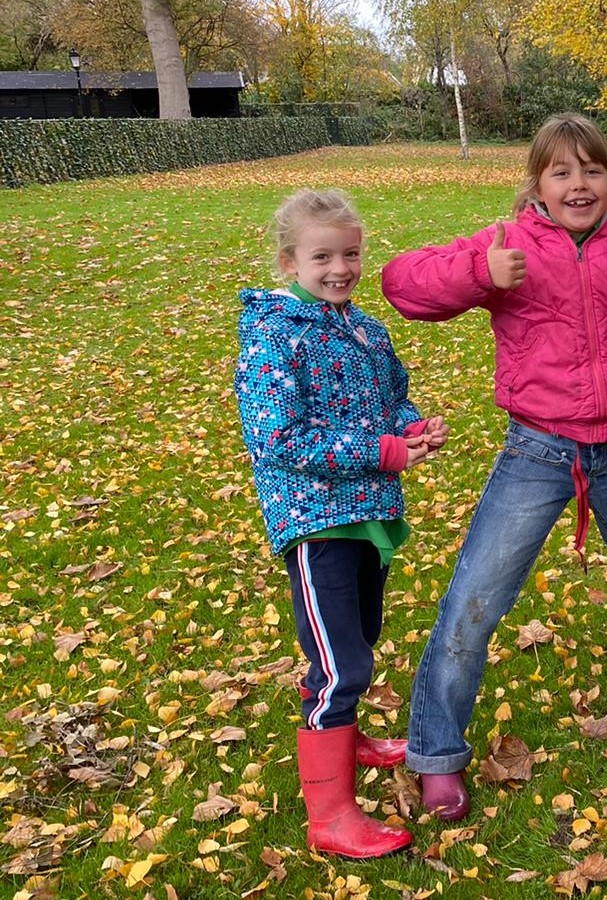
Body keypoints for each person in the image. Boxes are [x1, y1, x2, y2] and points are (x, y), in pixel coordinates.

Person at [381, 113, 607, 821]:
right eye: (562, 171)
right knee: (474, 602)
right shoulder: (508, 244)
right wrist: (477, 272)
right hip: (537, 449)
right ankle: (434, 752)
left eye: (591, 169)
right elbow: (402, 283)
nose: (578, 183)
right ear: (538, 184)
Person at [235, 188, 448, 858]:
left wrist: (410, 426)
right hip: (316, 521)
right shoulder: (275, 335)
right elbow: (278, 438)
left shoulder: (363, 329)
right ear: (288, 259)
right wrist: (381, 452)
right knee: (338, 664)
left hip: (367, 515)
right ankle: (329, 818)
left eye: (350, 253)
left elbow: (390, 397)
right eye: (322, 255)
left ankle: (346, 740)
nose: (340, 267)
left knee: (360, 636)